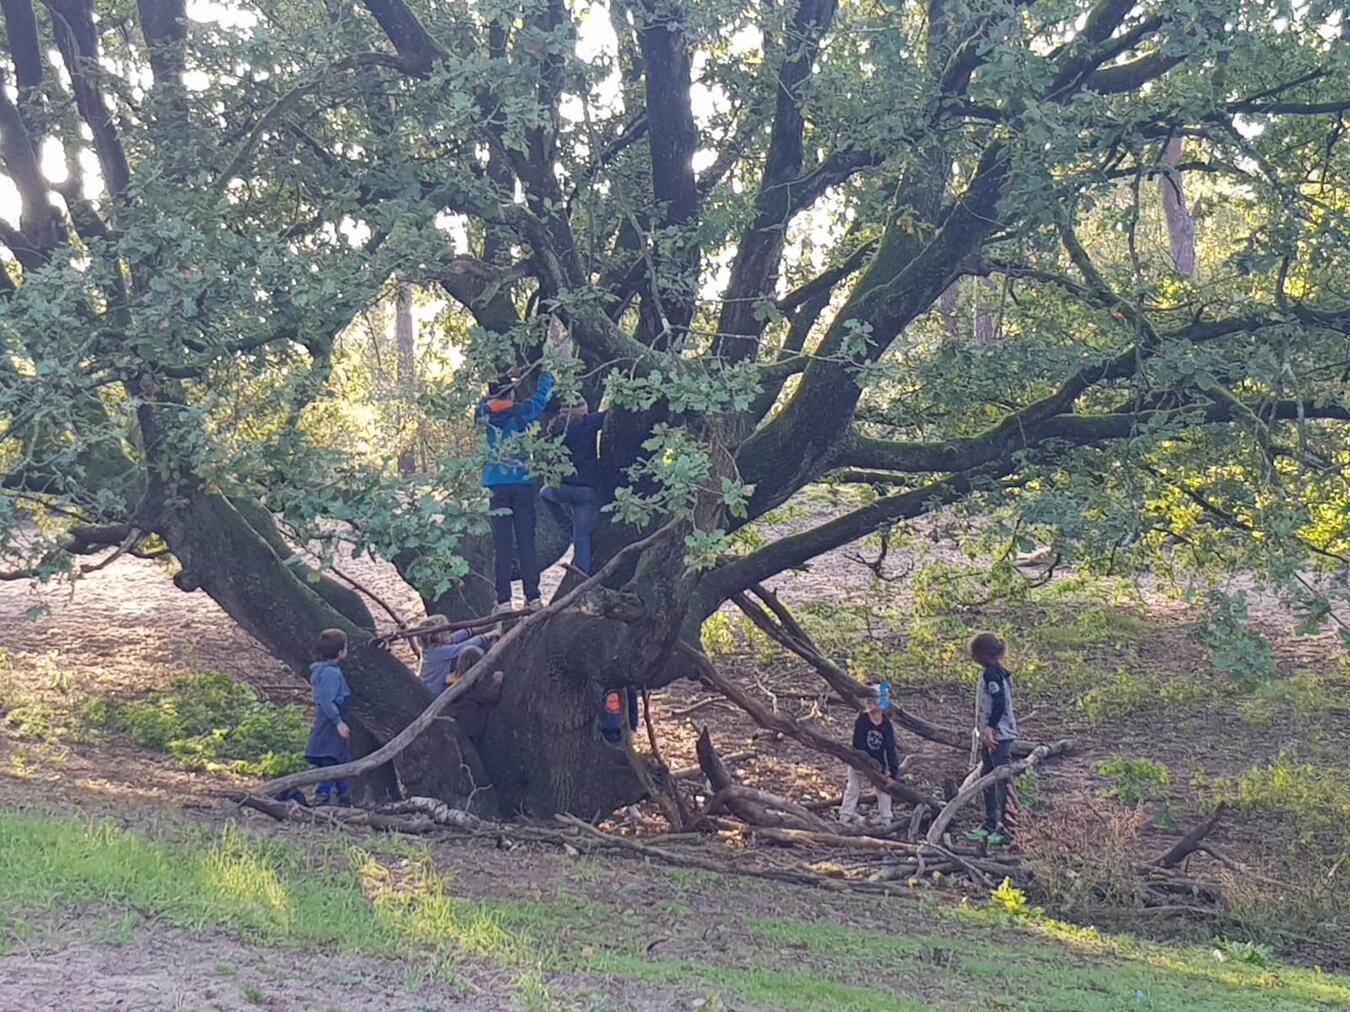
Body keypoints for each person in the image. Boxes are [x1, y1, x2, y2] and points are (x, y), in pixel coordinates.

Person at [476, 367, 554, 611]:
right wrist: (545, 375)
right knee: (526, 542)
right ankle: (533, 597)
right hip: (521, 482)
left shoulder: (483, 414)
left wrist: (500, 384)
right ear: (511, 394)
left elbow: (482, 403)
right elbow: (540, 400)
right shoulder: (520, 412)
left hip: (496, 484)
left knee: (502, 544)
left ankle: (504, 600)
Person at [541, 400, 606, 574]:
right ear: (582, 411)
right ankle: (581, 572)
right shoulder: (589, 422)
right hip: (585, 489)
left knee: (544, 492)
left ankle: (568, 528)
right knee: (582, 539)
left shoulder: (556, 428)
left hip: (562, 487)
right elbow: (608, 415)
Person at [966, 631, 1018, 845]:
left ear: (983, 654)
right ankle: (989, 823)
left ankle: (1008, 826)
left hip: (998, 736)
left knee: (1001, 779)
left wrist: (990, 728)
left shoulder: (993, 675)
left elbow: (999, 703)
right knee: (986, 778)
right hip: (989, 734)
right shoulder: (991, 672)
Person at [305, 628, 353, 807]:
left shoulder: (324, 671)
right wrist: (338, 722)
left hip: (328, 720)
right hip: (330, 722)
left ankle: (343, 794)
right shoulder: (331, 673)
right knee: (330, 758)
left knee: (337, 758)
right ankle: (322, 794)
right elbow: (327, 701)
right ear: (340, 651)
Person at [839, 687, 899, 825]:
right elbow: (857, 743)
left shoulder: (886, 725)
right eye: (868, 700)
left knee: (883, 789)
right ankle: (845, 815)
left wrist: (892, 773)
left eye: (873, 700)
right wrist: (860, 763)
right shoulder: (862, 720)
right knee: (853, 787)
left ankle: (886, 818)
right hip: (858, 760)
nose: (869, 703)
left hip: (877, 764)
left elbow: (890, 750)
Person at [414, 617, 494, 697]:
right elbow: (463, 646)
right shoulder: (438, 652)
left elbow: (455, 637)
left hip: (433, 687)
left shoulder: (432, 647)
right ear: (439, 636)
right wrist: (487, 636)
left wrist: (480, 627)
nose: (449, 633)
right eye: (447, 632)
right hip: (433, 692)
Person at [443, 644, 505, 747]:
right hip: (470, 729)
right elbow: (491, 698)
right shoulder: (468, 688)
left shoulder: (451, 681)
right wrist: (497, 683)